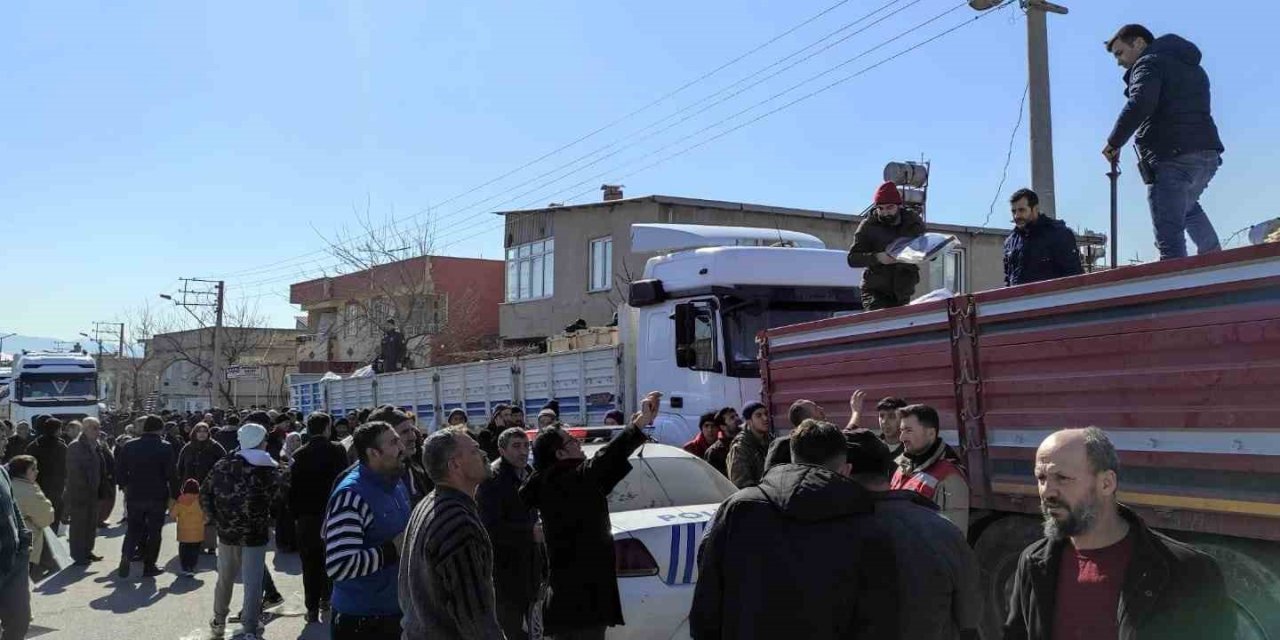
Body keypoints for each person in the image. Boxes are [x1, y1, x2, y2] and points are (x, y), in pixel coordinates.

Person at [1005, 427, 1234, 639]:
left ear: (1106, 483)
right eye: (1041, 478)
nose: (1047, 492)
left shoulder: (1187, 571)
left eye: (1062, 478)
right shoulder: (1033, 562)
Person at [689, 419, 899, 639]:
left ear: (792, 459)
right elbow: (877, 615)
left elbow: (707, 604)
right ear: (846, 470)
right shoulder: (868, 522)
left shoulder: (739, 509)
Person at [520, 391, 661, 639]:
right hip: (579, 603)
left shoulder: (559, 481)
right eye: (571, 441)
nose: (578, 442)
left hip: (579, 601)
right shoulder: (564, 482)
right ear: (560, 455)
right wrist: (639, 424)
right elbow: (606, 459)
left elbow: (604, 470)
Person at [844, 429, 981, 640]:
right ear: (887, 470)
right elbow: (969, 618)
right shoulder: (944, 530)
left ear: (844, 471)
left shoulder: (827, 534)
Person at [1102, 25, 1224, 261]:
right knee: (1186, 207)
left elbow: (1140, 103)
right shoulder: (1191, 66)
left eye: (1119, 53)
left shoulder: (1148, 64)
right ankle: (1215, 262)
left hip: (1172, 156)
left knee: (1169, 237)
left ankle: (1176, 287)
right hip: (1206, 155)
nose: (1118, 62)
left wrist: (1114, 141)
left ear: (1138, 43)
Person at [399, 428, 505, 639]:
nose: (484, 454)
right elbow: (475, 618)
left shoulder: (429, 503)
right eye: (475, 451)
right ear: (454, 465)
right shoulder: (458, 524)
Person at [323, 421, 411, 640]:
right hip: (363, 621)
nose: (402, 447)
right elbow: (339, 565)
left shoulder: (396, 485)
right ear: (373, 453)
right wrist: (392, 550)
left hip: (397, 613)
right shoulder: (351, 495)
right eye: (393, 442)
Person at [201, 423, 288, 640]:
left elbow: (205, 493)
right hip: (255, 533)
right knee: (253, 582)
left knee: (225, 579)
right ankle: (250, 628)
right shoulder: (269, 468)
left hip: (227, 532)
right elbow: (278, 500)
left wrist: (215, 517)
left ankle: (219, 622)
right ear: (261, 442)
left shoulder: (222, 464)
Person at [477, 427, 541, 639]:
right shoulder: (492, 480)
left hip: (530, 568)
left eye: (526, 446)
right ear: (501, 450)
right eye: (516, 446)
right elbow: (489, 527)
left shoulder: (529, 473)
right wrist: (528, 533)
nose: (523, 451)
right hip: (504, 571)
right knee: (509, 627)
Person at [288, 411, 350, 623]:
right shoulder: (337, 450)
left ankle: (311, 608)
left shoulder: (298, 454)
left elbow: (291, 489)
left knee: (309, 563)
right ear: (326, 427)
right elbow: (344, 481)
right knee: (330, 559)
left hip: (306, 517)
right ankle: (328, 599)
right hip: (332, 515)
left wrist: (295, 515)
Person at [847, 180, 927, 310]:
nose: (885, 212)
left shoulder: (911, 221)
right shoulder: (868, 226)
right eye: (881, 208)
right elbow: (853, 258)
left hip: (902, 290)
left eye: (889, 207)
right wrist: (878, 258)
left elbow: (925, 244)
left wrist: (930, 252)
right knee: (880, 322)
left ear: (898, 206)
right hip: (875, 291)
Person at [115, 414, 177, 578]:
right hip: (157, 495)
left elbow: (120, 470)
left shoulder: (129, 446)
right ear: (160, 429)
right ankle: (149, 565)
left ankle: (126, 555)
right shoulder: (165, 446)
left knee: (134, 528)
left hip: (135, 493)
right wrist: (175, 495)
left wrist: (125, 486)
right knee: (155, 531)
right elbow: (171, 473)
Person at [891, 404, 970, 534]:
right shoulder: (903, 466)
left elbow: (951, 541)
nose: (902, 438)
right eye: (901, 431)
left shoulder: (949, 478)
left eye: (908, 431)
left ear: (931, 433)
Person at [1003, 188, 1084, 286]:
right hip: (1019, 300)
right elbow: (1008, 280)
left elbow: (1074, 276)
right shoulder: (1011, 241)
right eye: (1013, 211)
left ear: (1035, 209)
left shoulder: (1058, 234)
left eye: (1022, 210)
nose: (1017, 216)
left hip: (1052, 298)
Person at [368, 405, 432, 508]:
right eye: (405, 432)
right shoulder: (357, 488)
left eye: (412, 429)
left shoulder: (416, 471)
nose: (413, 437)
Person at [64, 416, 104, 566]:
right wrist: (84, 489)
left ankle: (87, 551)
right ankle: (78, 555)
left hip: (93, 492)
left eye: (99, 428)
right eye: (95, 428)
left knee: (91, 524)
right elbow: (74, 471)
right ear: (85, 429)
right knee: (79, 526)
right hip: (80, 493)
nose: (98, 431)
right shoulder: (76, 446)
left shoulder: (96, 444)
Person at [0, 459, 31, 640]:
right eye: (1, 438)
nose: (5, 442)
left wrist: (25, 539)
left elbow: (13, 505)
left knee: (20, 620)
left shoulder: (3, 472)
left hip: (14, 557)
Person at [8, 456, 53, 581]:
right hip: (27, 544)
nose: (37, 472)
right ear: (22, 472)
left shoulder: (9, 483)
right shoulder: (28, 491)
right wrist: (48, 504)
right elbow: (46, 518)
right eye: (33, 469)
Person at [24, 416, 68, 533]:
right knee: (53, 518)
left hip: (36, 487)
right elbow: (67, 468)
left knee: (38, 520)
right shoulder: (61, 447)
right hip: (56, 489)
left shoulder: (33, 445)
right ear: (57, 430)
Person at [763, 399, 826, 469]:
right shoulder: (782, 446)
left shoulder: (827, 440)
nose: (821, 409)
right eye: (816, 409)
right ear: (809, 420)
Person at [727, 401, 771, 488]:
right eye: (759, 415)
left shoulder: (771, 441)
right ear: (749, 421)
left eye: (766, 414)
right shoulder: (740, 447)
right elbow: (741, 483)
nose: (765, 418)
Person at [172, 478, 205, 577]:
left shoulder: (181, 500)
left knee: (184, 550)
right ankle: (192, 566)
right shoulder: (201, 500)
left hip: (183, 533)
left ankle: (185, 567)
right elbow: (206, 516)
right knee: (194, 550)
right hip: (197, 533)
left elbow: (173, 514)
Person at [703, 406, 741, 475]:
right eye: (732, 418)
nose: (737, 419)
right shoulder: (715, 452)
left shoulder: (747, 442)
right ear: (723, 427)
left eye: (737, 415)